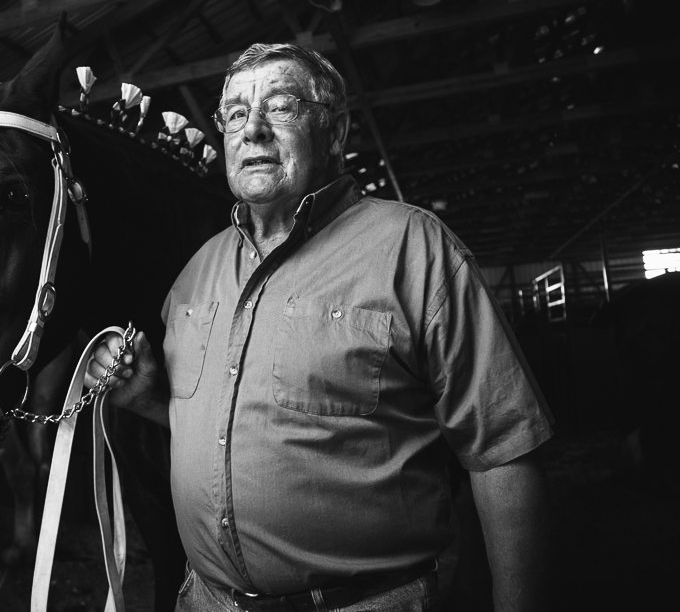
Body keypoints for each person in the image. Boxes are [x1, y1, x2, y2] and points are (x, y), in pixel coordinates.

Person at [86, 44, 554, 612]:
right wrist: (150, 400)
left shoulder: (413, 248)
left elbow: (503, 450)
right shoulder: (195, 273)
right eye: (234, 113)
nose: (251, 130)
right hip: (206, 601)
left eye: (280, 108)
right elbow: (227, 424)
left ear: (334, 131)